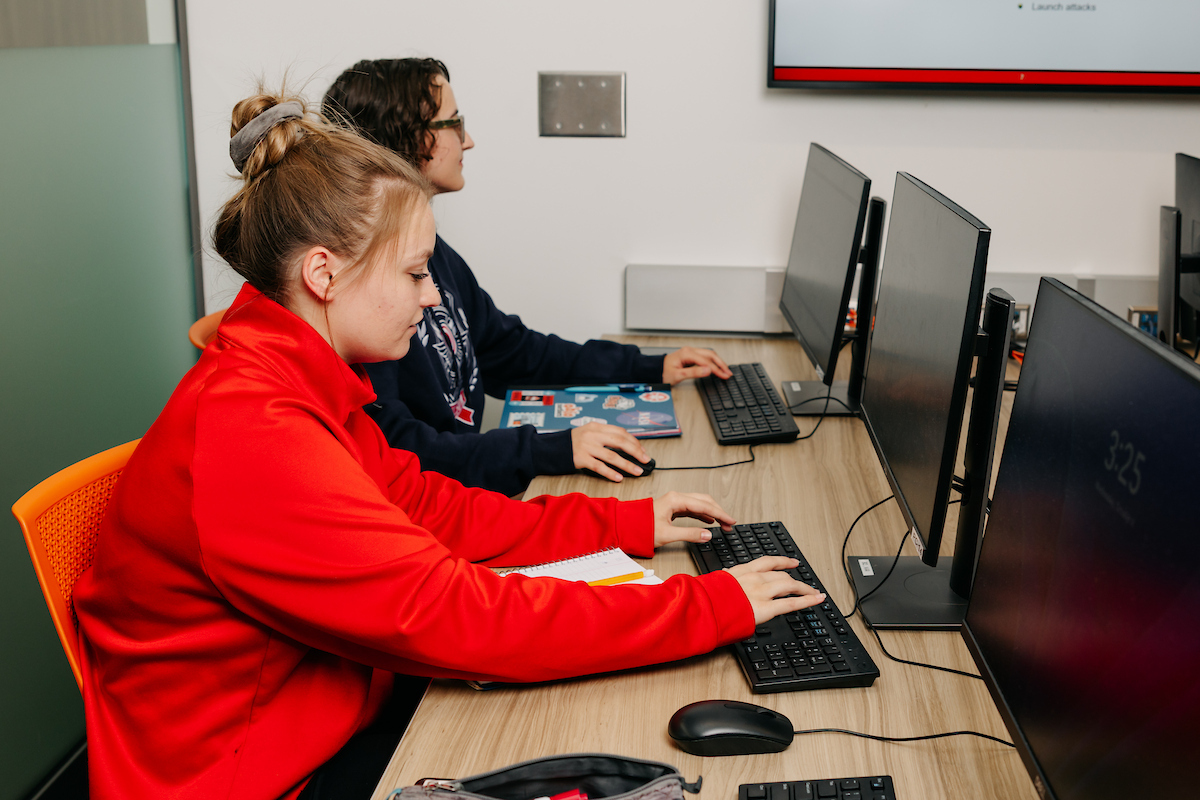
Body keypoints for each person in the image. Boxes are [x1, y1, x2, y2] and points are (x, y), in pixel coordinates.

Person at [72, 90, 823, 800]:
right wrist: (707, 605)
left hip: (321, 714)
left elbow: (429, 511)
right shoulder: (254, 432)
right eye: (414, 272)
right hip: (258, 776)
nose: (432, 296)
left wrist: (624, 525)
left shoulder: (294, 375)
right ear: (324, 274)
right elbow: (457, 616)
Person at [322, 58, 734, 496]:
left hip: (468, 500)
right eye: (455, 123)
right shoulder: (361, 301)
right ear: (406, 135)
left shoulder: (433, 256)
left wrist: (646, 366)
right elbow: (400, 454)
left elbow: (511, 352)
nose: (470, 141)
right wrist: (543, 450)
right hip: (438, 513)